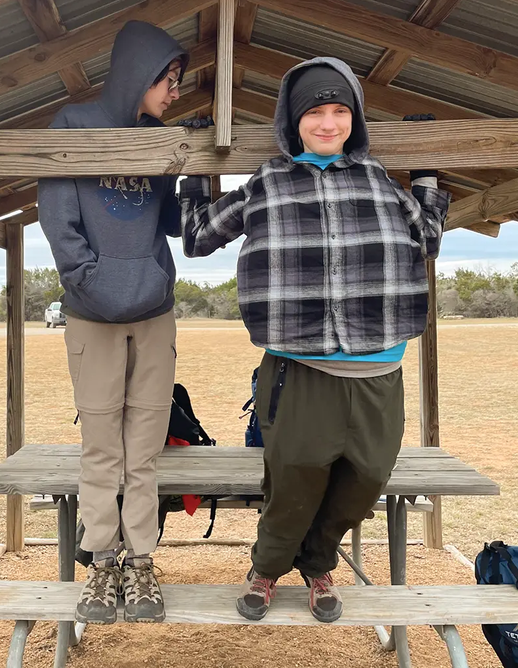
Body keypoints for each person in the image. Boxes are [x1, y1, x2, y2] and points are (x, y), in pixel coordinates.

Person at [180, 58, 450, 622]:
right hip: (297, 366)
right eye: (315, 113)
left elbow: (425, 238)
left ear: (354, 119)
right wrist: (196, 176)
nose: (328, 124)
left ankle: (316, 558)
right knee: (295, 477)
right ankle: (268, 568)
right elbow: (200, 238)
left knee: (369, 477)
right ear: (293, 121)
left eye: (339, 111)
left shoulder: (378, 179)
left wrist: (424, 175)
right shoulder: (267, 182)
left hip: (380, 365)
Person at [38, 20, 189, 625]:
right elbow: (59, 223)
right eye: (169, 80)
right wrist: (92, 284)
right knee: (101, 445)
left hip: (153, 312)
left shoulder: (160, 136)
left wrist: (183, 158)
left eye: (177, 82)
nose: (175, 92)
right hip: (91, 313)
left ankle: (143, 563)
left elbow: (173, 225)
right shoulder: (71, 127)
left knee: (144, 449)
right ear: (139, 74)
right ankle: (102, 563)